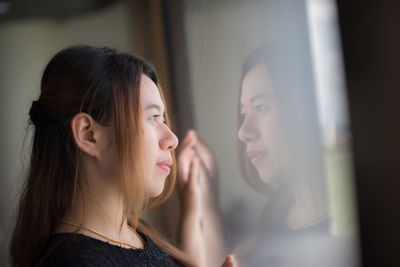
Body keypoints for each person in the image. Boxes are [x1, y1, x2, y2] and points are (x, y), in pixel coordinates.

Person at [9, 45, 237, 267]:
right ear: (88, 135)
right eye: (153, 118)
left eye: (163, 119)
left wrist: (197, 206)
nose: (172, 139)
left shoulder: (137, 235)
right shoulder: (74, 262)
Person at [178, 44, 331, 266]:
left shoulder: (333, 236)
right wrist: (203, 203)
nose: (243, 132)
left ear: (301, 107)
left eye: (260, 108)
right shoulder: (281, 205)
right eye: (243, 113)